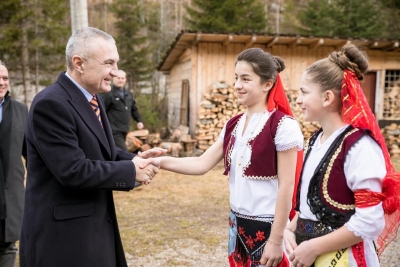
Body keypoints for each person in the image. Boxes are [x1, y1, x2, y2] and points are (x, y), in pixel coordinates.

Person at [141, 48, 304, 267]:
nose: (237, 85)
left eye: (246, 79)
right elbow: (201, 163)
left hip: (269, 229)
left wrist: (276, 240)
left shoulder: (283, 126)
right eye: (236, 78)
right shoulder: (233, 125)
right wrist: (160, 162)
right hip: (237, 226)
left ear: (267, 84)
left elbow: (287, 186)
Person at [19, 27, 165, 267]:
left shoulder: (92, 98)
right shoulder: (51, 103)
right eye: (108, 63)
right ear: (79, 63)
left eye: (116, 64)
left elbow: (103, 151)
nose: (115, 72)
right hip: (63, 240)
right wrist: (131, 171)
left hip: (91, 231)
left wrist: (136, 159)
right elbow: (73, 170)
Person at [284, 44, 400, 267]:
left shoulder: (359, 147)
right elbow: (312, 205)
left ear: (327, 98)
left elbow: (369, 222)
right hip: (309, 255)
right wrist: (290, 229)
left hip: (345, 259)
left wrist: (314, 247)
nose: (297, 99)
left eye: (304, 92)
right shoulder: (316, 140)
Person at [0, 60, 28, 267]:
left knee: (8, 247)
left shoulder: (20, 111)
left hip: (11, 197)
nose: (2, 82)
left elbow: (32, 154)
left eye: (5, 78)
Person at [102, 69, 144, 152]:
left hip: (125, 129)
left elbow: (133, 109)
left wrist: (139, 121)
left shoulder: (128, 94)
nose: (120, 80)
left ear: (125, 80)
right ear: (113, 79)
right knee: (123, 151)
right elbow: (101, 110)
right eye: (118, 78)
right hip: (113, 130)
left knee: (115, 152)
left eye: (122, 78)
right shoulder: (108, 93)